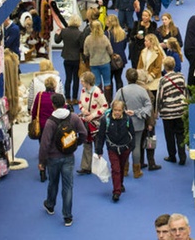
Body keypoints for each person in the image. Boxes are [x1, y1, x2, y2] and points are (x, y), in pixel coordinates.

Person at [40, 93, 87, 227]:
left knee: (53, 182)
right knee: (68, 186)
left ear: (53, 105)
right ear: (65, 103)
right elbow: (83, 133)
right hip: (68, 157)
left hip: (53, 159)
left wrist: (42, 161)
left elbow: (45, 143)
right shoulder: (73, 117)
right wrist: (76, 144)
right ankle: (67, 216)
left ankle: (50, 205)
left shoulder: (50, 122)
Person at [113, 68, 153, 180]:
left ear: (126, 78)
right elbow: (149, 107)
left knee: (125, 146)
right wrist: (137, 112)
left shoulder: (121, 91)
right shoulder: (142, 91)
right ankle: (136, 171)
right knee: (136, 147)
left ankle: (124, 170)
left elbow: (113, 105)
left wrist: (123, 112)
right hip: (139, 123)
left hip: (124, 123)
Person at [94, 99, 134, 201]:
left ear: (123, 110)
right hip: (112, 148)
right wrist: (99, 150)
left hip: (125, 148)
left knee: (121, 166)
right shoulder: (105, 120)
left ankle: (120, 184)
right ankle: (116, 191)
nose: (117, 112)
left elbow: (132, 133)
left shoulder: (128, 119)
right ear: (112, 110)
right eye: (115, 110)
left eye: (119, 110)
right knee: (116, 169)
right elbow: (101, 136)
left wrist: (131, 147)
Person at [156, 57, 187, 164]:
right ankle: (182, 157)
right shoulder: (181, 77)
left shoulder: (163, 80)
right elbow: (185, 92)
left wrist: (157, 110)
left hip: (167, 113)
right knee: (180, 134)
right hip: (180, 110)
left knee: (169, 136)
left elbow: (159, 97)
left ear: (164, 67)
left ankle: (172, 156)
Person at [76, 71, 108, 175]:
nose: (81, 82)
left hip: (96, 123)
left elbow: (105, 106)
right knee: (86, 142)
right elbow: (80, 102)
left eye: (83, 81)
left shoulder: (98, 92)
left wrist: (93, 115)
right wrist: (83, 111)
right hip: (85, 121)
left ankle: (97, 167)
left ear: (88, 82)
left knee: (97, 143)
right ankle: (86, 167)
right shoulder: (83, 90)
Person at [54, 15, 83, 104]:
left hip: (67, 58)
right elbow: (82, 47)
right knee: (76, 79)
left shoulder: (64, 31)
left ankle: (67, 98)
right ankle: (74, 98)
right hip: (77, 59)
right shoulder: (80, 33)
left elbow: (57, 41)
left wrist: (56, 34)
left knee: (68, 78)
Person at [83, 20, 115, 97]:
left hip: (94, 63)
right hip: (105, 62)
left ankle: (99, 100)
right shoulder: (104, 38)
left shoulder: (88, 39)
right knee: (107, 82)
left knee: (97, 83)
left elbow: (86, 53)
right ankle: (107, 101)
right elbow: (111, 51)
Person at [106, 16, 129, 93]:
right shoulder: (123, 33)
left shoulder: (107, 34)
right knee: (118, 79)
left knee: (109, 80)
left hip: (110, 60)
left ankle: (110, 99)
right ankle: (120, 97)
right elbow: (124, 46)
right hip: (120, 59)